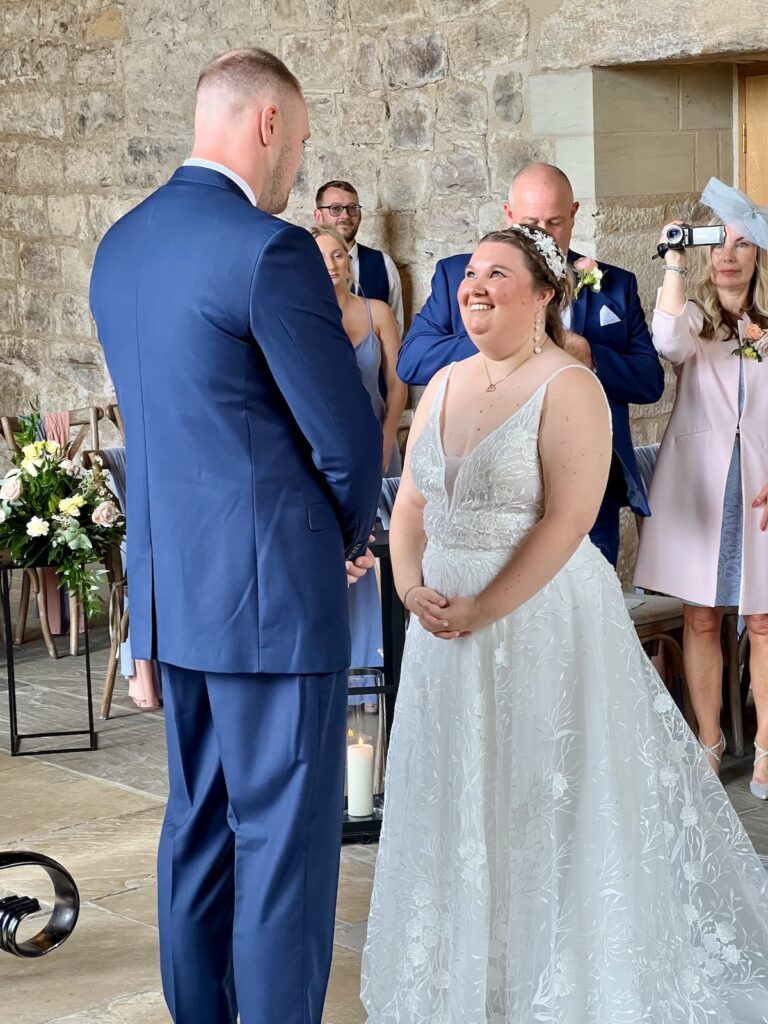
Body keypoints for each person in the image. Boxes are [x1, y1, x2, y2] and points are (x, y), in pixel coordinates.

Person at [361, 225, 768, 1022]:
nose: (474, 286)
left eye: (497, 275)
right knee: (459, 793)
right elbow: (409, 504)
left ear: (545, 295)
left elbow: (570, 519)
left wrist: (482, 605)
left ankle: (552, 970)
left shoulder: (567, 384)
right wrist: (412, 587)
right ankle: (469, 968)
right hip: (443, 630)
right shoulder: (442, 383)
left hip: (539, 622)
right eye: (471, 273)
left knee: (541, 796)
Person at [90, 48, 382, 1024]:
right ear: (266, 126)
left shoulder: (121, 247)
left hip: (181, 602)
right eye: (296, 146)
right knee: (283, 855)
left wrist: (144, 615)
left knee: (199, 833)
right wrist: (348, 532)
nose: (295, 168)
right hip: (276, 603)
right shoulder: (270, 249)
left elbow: (162, 443)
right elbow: (344, 433)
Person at [397, 163, 665, 567]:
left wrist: (592, 356)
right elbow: (412, 359)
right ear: (508, 215)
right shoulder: (460, 277)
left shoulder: (614, 284)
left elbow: (650, 382)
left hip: (588, 490)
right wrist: (497, 335)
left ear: (574, 213)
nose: (542, 234)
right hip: (492, 490)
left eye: (554, 222)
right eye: (529, 222)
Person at [634, 212, 768, 796]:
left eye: (743, 243)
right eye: (719, 243)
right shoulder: (693, 320)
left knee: (763, 621)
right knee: (702, 616)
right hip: (701, 487)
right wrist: (674, 260)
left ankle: (766, 749)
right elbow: (664, 340)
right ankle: (708, 744)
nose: (729, 255)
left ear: (760, 256)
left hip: (760, 487)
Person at [310, 225, 406, 476]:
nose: (331, 264)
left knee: (387, 511)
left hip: (377, 431)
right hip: (325, 440)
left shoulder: (378, 312)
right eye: (320, 257)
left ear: (348, 261)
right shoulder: (303, 321)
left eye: (337, 255)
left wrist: (386, 441)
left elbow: (397, 381)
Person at [313, 179, 404, 335]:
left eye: (352, 208)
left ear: (360, 216)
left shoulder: (383, 264)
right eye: (335, 209)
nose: (345, 215)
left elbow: (397, 327)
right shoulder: (303, 263)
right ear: (318, 216)